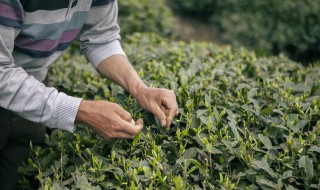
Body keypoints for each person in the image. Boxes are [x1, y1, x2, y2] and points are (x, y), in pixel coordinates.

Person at [0, 0, 179, 189]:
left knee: (15, 176)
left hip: (36, 86)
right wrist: (80, 110)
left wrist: (140, 89)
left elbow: (102, 39)